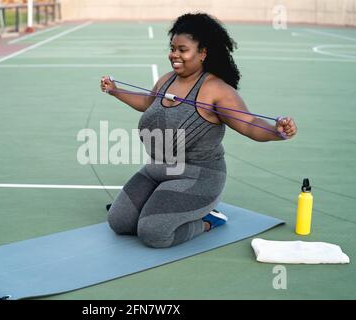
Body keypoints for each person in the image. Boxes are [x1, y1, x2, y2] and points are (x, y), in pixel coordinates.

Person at [100, 13, 297, 248]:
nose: (174, 55)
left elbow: (248, 124)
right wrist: (115, 90)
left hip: (198, 176)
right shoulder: (166, 80)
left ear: (202, 53)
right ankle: (158, 205)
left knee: (153, 233)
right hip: (158, 169)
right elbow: (146, 103)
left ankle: (208, 220)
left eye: (182, 49)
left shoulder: (216, 90)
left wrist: (277, 131)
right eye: (172, 48)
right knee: (119, 222)